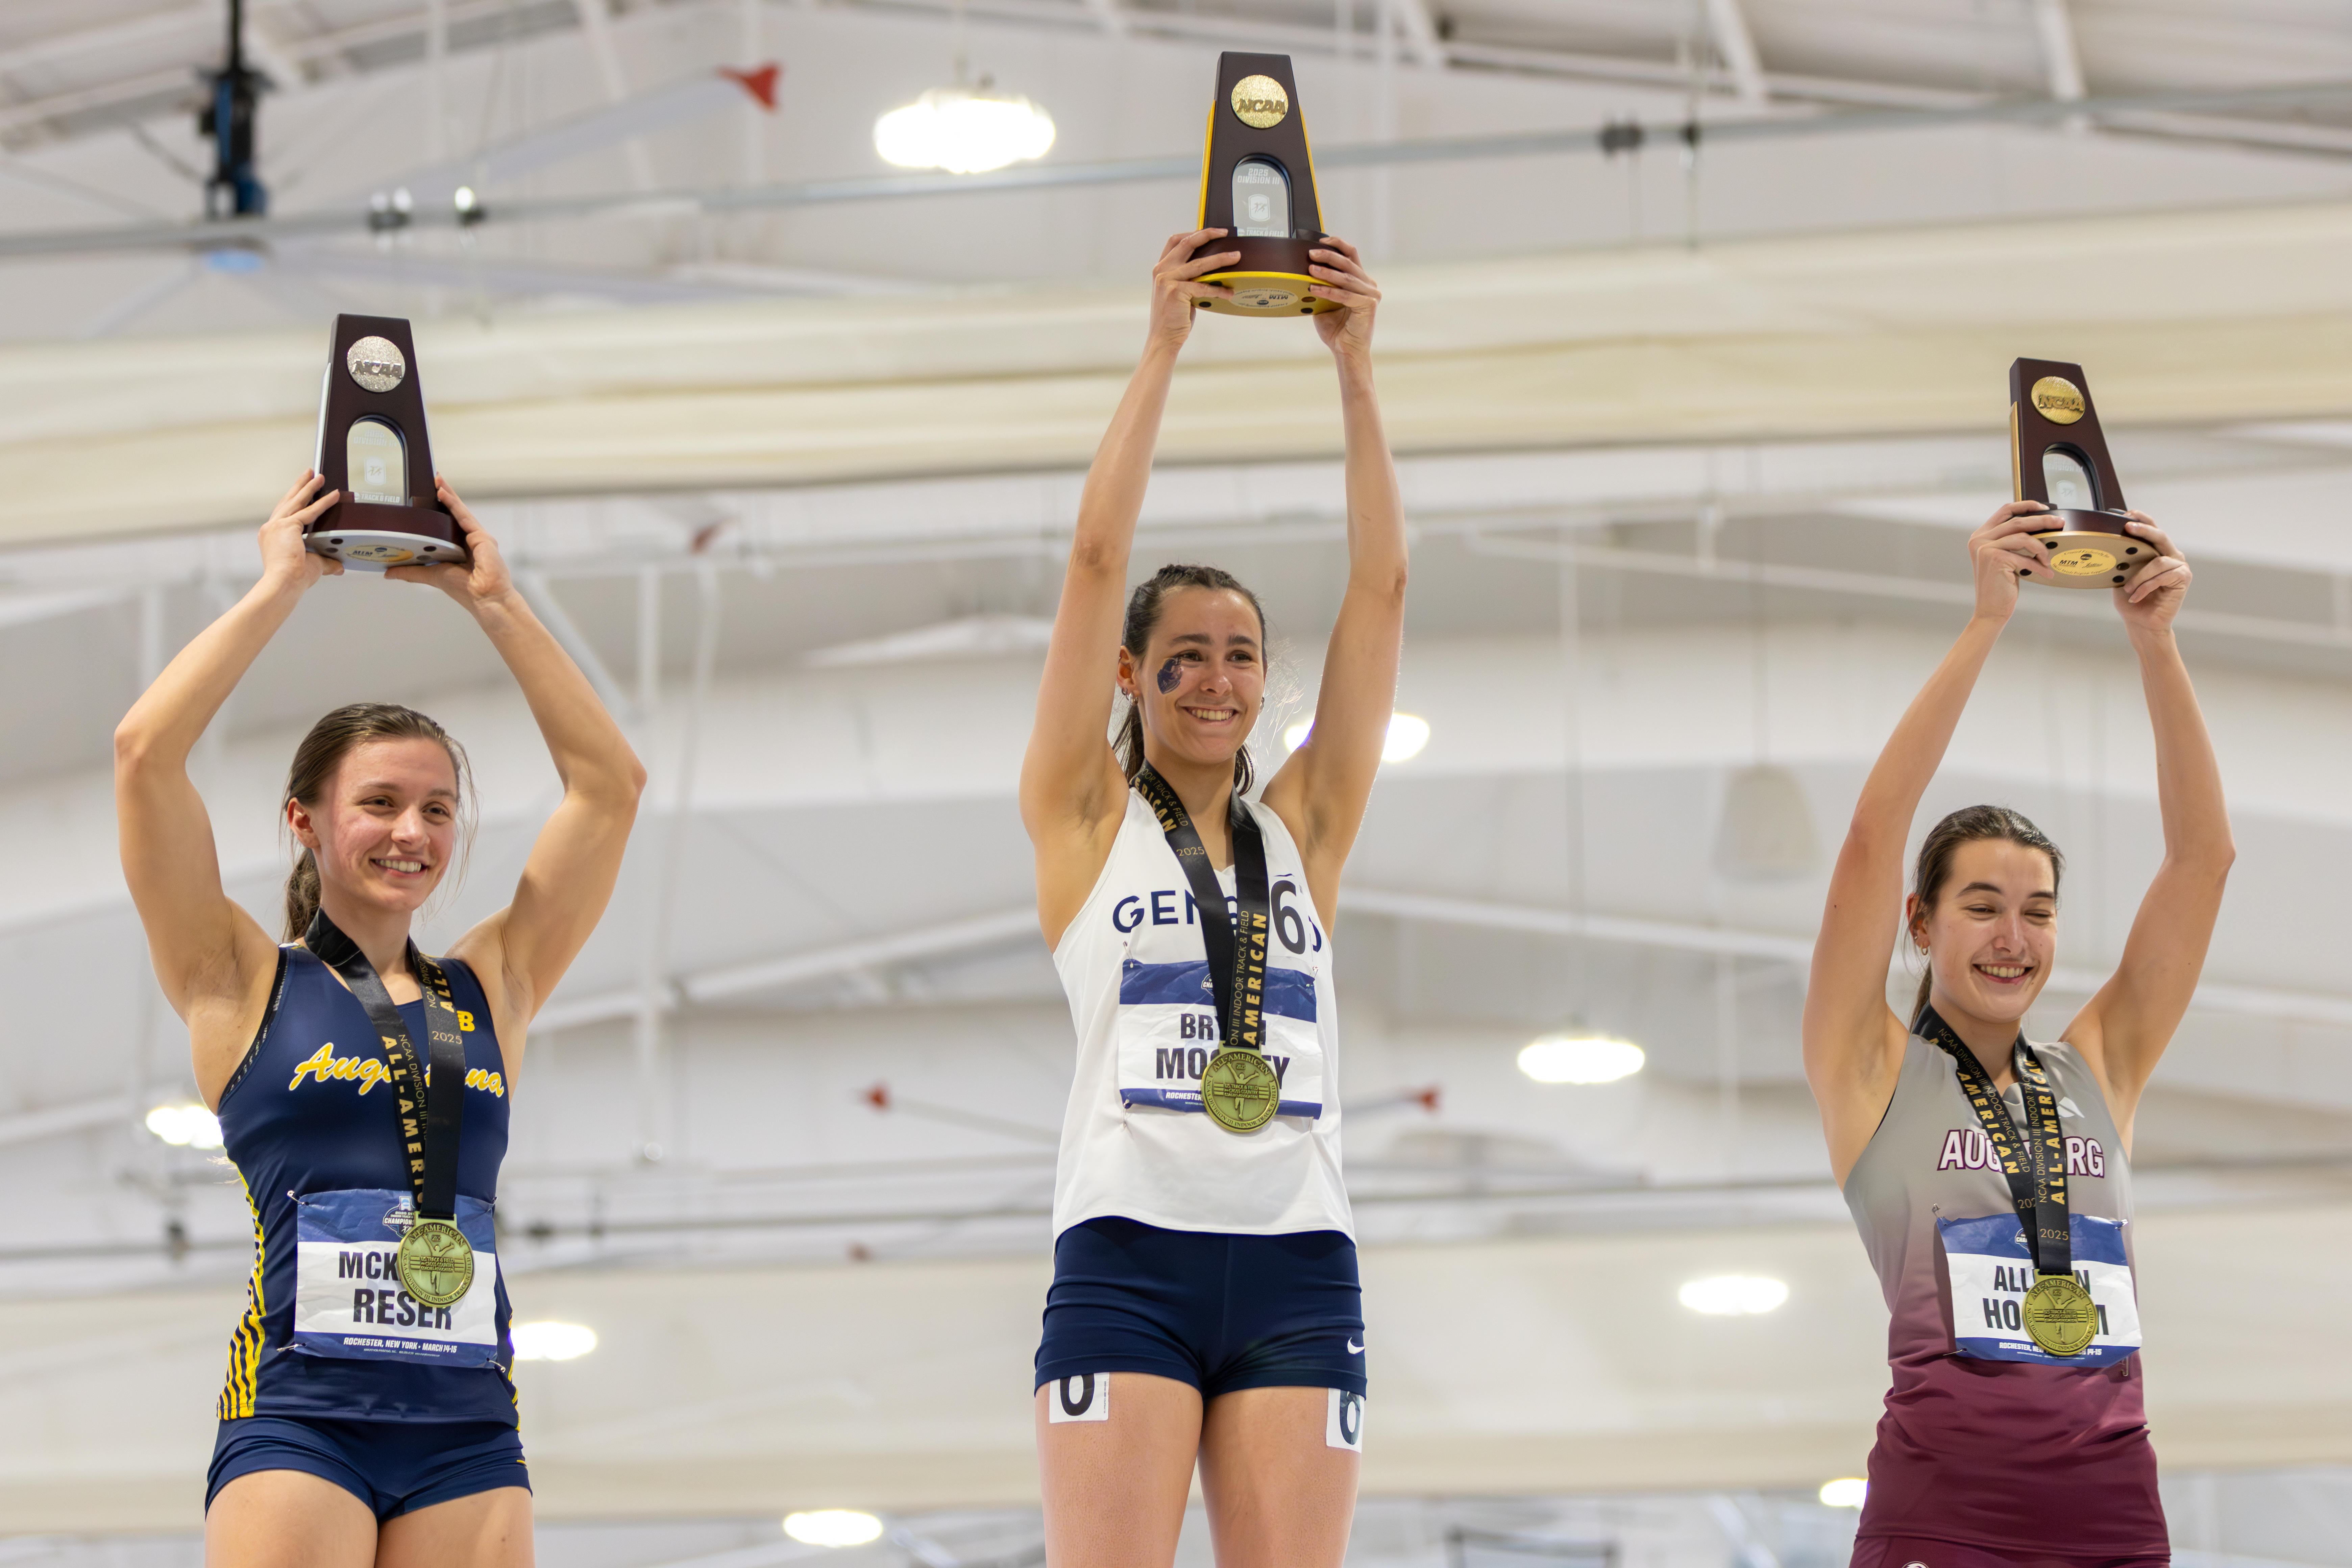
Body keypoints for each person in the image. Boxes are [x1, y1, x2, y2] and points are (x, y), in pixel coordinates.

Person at [115, 471, 644, 1567]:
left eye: (438, 809)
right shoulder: (238, 978)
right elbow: (144, 756)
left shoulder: (494, 984)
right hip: (299, 1418)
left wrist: (492, 601)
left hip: (468, 1428)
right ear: (305, 821)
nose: (413, 832)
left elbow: (610, 787)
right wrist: (281, 586)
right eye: (380, 803)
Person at [1018, 227, 1403, 1568]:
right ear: (1131, 675)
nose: (1219, 679)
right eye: (1185, 655)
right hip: (1128, 1255)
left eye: (1242, 655)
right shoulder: (1085, 818)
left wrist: (1356, 369)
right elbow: (1092, 560)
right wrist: (1162, 349)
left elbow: (1383, 589)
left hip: (1300, 1258)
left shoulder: (1305, 828)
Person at [1804, 500, 2230, 1567]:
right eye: (1983, 906)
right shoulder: (1870, 1067)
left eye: (2038, 911)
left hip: (2113, 1514)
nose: (2013, 938)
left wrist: (2156, 642)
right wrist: (1987, 622)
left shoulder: (2100, 1068)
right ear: (1920, 922)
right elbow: (1871, 841)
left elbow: (2202, 861)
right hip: (1943, 1512)